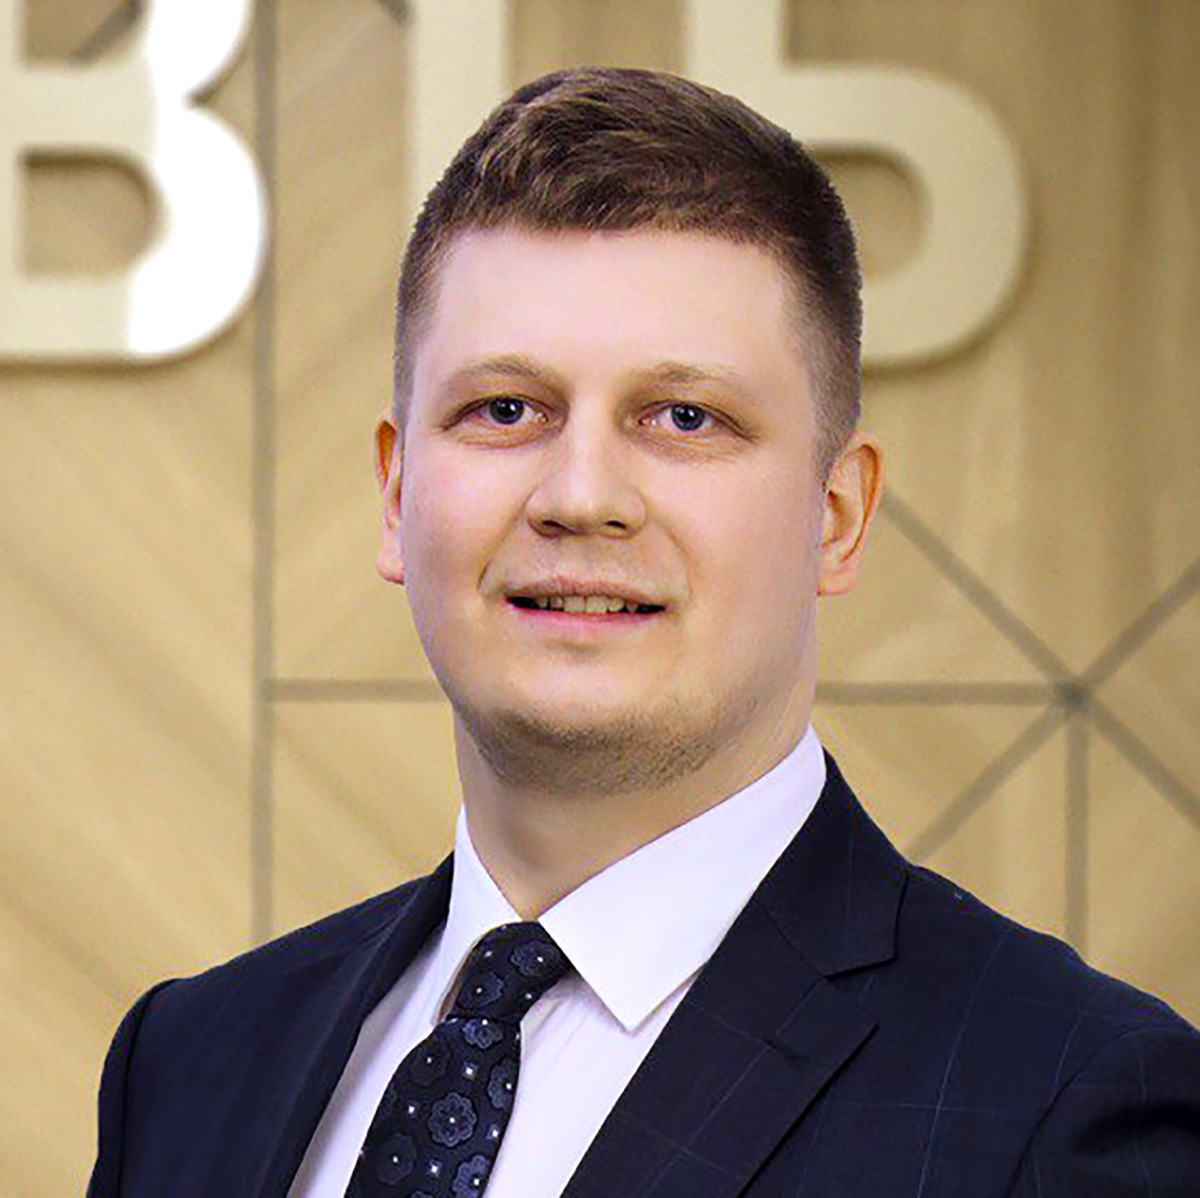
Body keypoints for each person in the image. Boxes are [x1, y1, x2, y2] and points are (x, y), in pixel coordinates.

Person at [89, 67, 1200, 1197]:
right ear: (396, 493)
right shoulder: (188, 1062)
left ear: (836, 517)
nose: (581, 495)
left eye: (684, 417)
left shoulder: (1063, 1105)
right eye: (505, 409)